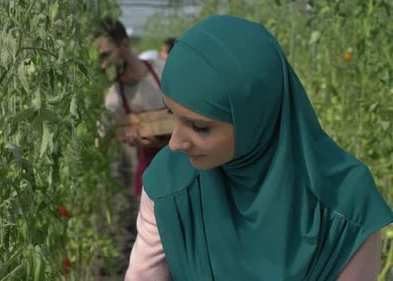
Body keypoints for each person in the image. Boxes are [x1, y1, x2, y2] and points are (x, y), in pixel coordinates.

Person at [125, 15, 393, 280]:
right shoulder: (168, 185)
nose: (174, 144)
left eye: (199, 127)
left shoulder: (344, 205)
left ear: (256, 117)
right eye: (171, 113)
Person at [96, 18, 169, 197]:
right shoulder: (115, 97)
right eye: (99, 59)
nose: (103, 65)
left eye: (106, 55)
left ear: (125, 44)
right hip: (154, 175)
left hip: (190, 162)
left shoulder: (163, 71)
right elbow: (100, 135)